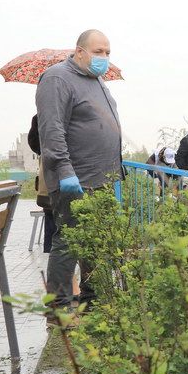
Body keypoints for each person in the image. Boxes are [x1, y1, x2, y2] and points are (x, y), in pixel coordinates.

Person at [36, 29, 123, 310]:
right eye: (99, 52)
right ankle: (59, 306)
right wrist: (64, 169)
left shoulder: (98, 82)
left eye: (108, 52)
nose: (104, 58)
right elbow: (51, 130)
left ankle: (91, 299)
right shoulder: (57, 78)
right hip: (76, 177)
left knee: (94, 241)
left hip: (102, 178)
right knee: (70, 240)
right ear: (80, 51)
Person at [27, 115, 55, 252]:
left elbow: (32, 141)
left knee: (51, 216)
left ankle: (50, 254)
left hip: (48, 183)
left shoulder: (40, 116)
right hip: (53, 181)